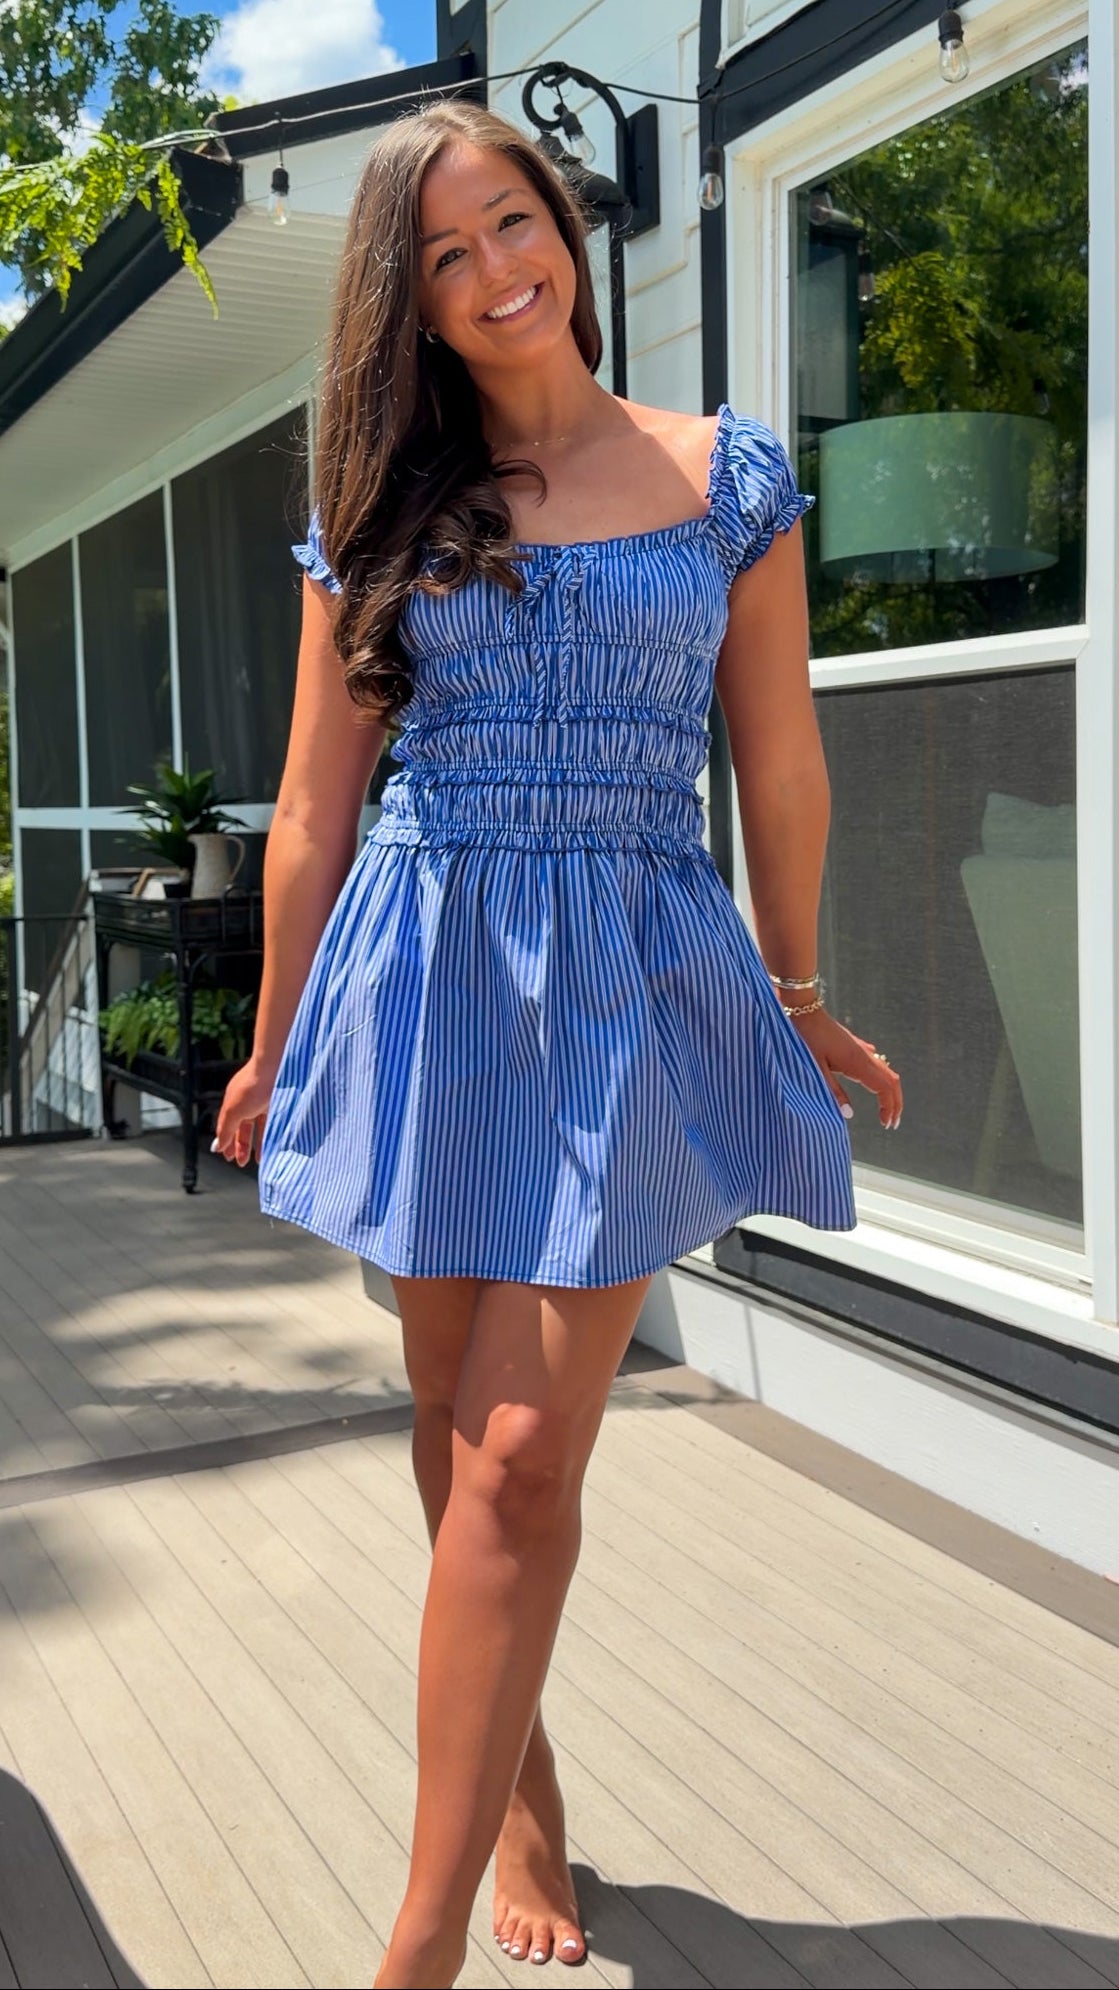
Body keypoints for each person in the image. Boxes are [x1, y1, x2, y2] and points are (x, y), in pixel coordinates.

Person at [214, 98, 902, 1990]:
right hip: (426, 971)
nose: (493, 269)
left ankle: (413, 1943)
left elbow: (781, 761)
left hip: (622, 974)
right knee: (451, 1431)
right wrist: (276, 1048)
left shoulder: (725, 474)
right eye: (441, 255)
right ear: (410, 304)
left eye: (509, 221)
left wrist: (802, 986)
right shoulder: (382, 509)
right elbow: (306, 811)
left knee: (521, 1452)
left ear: (564, 226)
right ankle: (521, 1799)